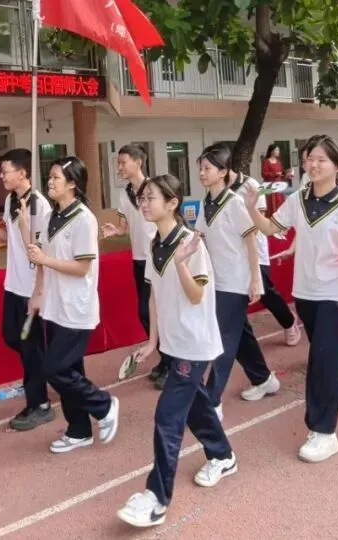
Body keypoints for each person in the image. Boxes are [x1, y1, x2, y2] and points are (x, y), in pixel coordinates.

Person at [244, 135, 338, 462]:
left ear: (337, 165)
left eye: (321, 159)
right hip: (305, 292)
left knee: (322, 361)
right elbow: (269, 228)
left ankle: (323, 431)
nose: (314, 165)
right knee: (329, 356)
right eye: (309, 159)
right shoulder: (298, 199)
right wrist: (251, 207)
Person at [117, 174, 236, 528]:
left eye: (150, 197)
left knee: (168, 417)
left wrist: (183, 262)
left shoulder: (190, 243)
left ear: (172, 203)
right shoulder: (156, 241)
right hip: (172, 342)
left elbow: (196, 295)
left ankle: (156, 497)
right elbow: (154, 294)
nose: (144, 203)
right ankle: (223, 455)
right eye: (142, 198)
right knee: (197, 406)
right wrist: (152, 342)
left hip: (195, 344)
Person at [26, 156, 119, 454]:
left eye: (55, 178)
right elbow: (45, 257)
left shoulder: (84, 219)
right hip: (54, 306)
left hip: (76, 309)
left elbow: (82, 268)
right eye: (49, 177)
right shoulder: (53, 215)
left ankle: (103, 405)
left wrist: (45, 259)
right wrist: (38, 287)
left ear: (73, 184)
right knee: (71, 371)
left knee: (55, 368)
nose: (50, 182)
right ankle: (78, 429)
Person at [193, 145, 279, 420]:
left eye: (207, 168)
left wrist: (256, 280)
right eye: (201, 168)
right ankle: (264, 379)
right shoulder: (207, 202)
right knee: (239, 334)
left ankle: (212, 399)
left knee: (223, 340)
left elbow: (251, 240)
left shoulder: (233, 203)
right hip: (217, 282)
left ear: (223, 172)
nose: (201, 173)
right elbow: (199, 237)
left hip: (236, 281)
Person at [0, 148, 54, 431]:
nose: (1, 176)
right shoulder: (12, 200)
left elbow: (38, 250)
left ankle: (40, 404)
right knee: (12, 337)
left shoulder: (38, 206)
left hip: (30, 288)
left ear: (22, 172)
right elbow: (11, 241)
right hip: (12, 284)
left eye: (5, 171)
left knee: (30, 347)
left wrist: (39, 290)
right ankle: (41, 375)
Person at [101, 145, 163, 387]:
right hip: (138, 259)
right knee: (147, 312)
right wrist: (117, 231)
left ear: (138, 162)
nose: (119, 167)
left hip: (156, 259)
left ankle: (171, 361)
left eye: (123, 162)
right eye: (118, 163)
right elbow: (126, 227)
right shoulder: (124, 194)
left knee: (150, 311)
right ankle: (166, 358)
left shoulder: (156, 189)